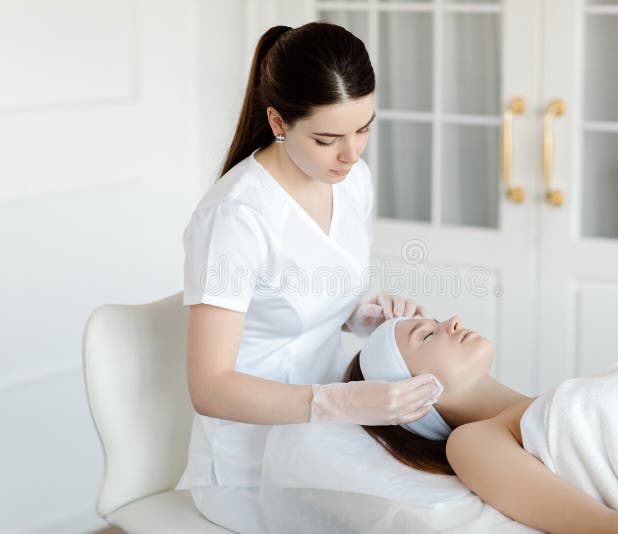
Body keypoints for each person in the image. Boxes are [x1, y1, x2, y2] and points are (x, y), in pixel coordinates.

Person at [177, 21, 442, 533]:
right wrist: (342, 401)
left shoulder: (350, 182)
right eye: (327, 139)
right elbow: (209, 388)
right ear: (278, 120)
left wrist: (363, 314)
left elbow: (306, 299)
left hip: (323, 446)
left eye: (364, 128)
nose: (351, 153)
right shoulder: (236, 217)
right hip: (248, 466)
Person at [345, 316, 618, 534]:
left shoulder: (560, 397)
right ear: (411, 396)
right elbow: (597, 526)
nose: (451, 321)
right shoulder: (474, 442)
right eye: (427, 336)